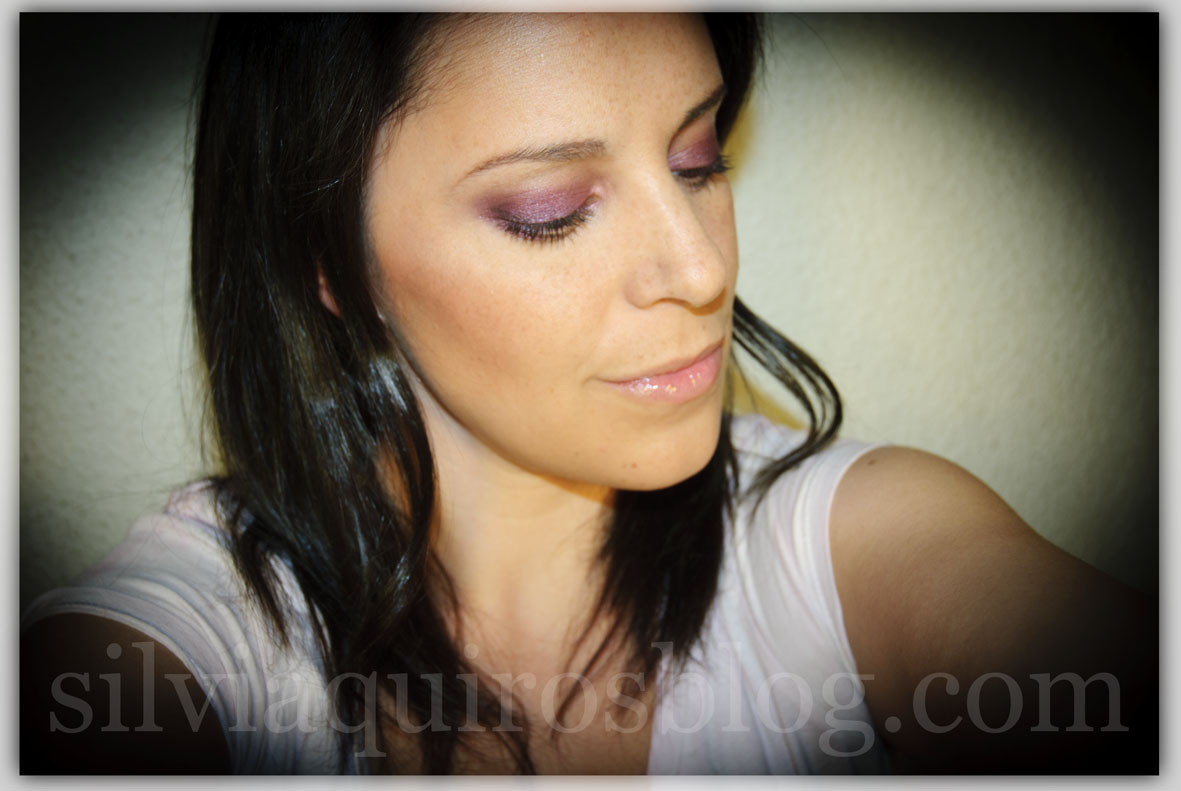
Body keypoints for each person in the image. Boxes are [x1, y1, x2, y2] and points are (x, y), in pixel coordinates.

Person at [20, 12, 1155, 775]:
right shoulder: (211, 629)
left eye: (697, 159)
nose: (702, 268)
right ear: (326, 262)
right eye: (551, 211)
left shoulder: (849, 547)